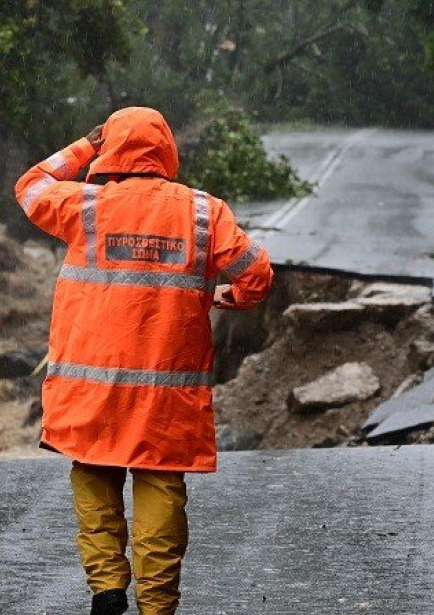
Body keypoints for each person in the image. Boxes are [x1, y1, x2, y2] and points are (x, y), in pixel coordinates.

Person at [14, 106, 274, 615]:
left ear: (113, 150)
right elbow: (256, 275)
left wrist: (85, 147)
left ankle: (107, 590)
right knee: (160, 483)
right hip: (167, 391)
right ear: (167, 151)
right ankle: (157, 606)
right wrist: (226, 299)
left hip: (93, 385)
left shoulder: (86, 206)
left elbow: (30, 186)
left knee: (94, 473)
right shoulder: (204, 212)